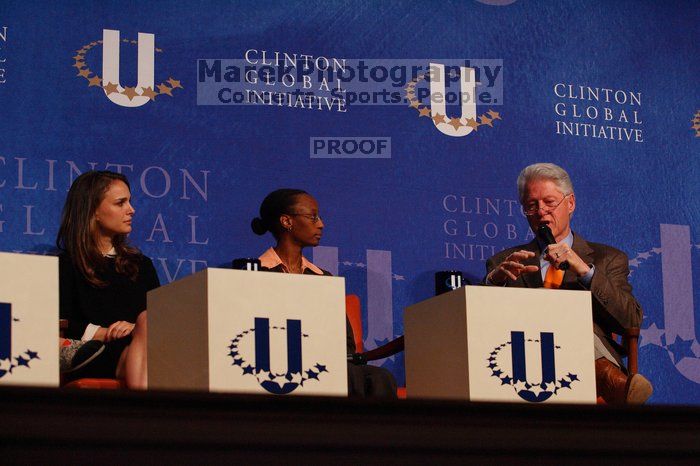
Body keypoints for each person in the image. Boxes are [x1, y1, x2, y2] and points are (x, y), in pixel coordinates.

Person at [484, 163, 652, 404]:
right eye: (531, 206)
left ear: (570, 203)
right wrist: (493, 283)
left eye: (549, 202)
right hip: (521, 359)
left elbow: (630, 319)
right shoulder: (504, 261)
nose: (541, 211)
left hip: (583, 355)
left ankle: (610, 380)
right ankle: (614, 385)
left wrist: (585, 271)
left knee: (571, 318)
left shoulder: (607, 258)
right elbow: (479, 326)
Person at [252, 188, 397, 398]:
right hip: (272, 360)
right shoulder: (254, 272)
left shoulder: (323, 278)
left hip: (323, 361)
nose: (321, 224)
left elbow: (345, 341)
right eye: (312, 217)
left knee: (379, 377)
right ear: (286, 221)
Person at [57, 170, 159, 389]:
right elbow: (57, 322)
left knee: (148, 322)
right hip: (95, 351)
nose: (131, 210)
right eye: (120, 203)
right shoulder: (66, 265)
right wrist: (103, 332)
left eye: (129, 202)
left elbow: (158, 320)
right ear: (93, 210)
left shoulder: (142, 265)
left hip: (142, 349)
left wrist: (135, 327)